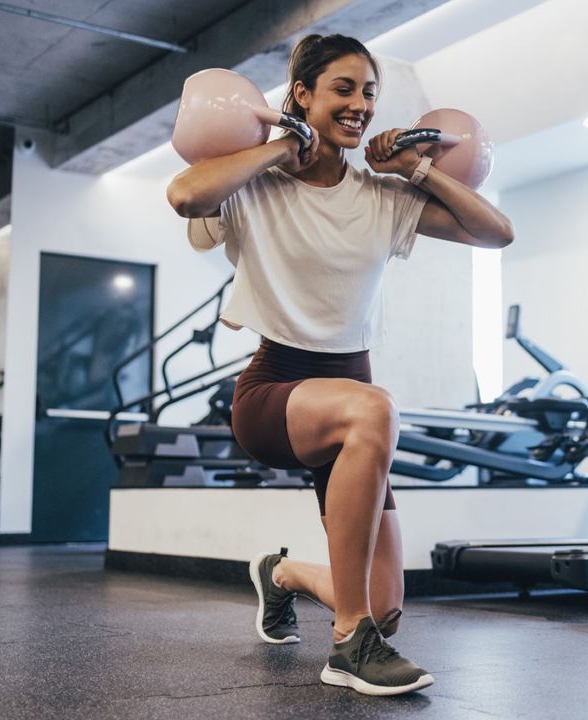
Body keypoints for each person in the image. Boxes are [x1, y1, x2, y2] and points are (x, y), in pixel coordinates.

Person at [167, 33, 514, 697]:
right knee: (375, 406)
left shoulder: (379, 196)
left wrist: (415, 168)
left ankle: (285, 576)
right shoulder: (256, 185)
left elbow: (495, 232)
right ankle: (347, 645)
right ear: (303, 94)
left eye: (369, 93)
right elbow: (186, 194)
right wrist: (278, 146)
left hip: (354, 412)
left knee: (386, 608)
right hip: (276, 394)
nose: (360, 105)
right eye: (344, 89)